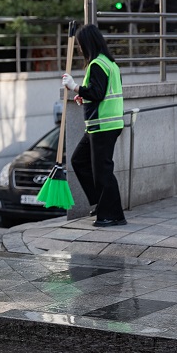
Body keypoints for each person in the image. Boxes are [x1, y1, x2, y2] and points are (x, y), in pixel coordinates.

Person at [62, 24, 126, 227]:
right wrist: (84, 96)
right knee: (79, 161)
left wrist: (74, 86)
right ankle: (102, 204)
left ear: (88, 43)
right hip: (102, 125)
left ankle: (112, 215)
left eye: (81, 45)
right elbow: (99, 93)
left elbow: (97, 93)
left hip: (102, 126)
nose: (80, 49)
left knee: (102, 171)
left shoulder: (97, 65)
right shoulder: (110, 64)